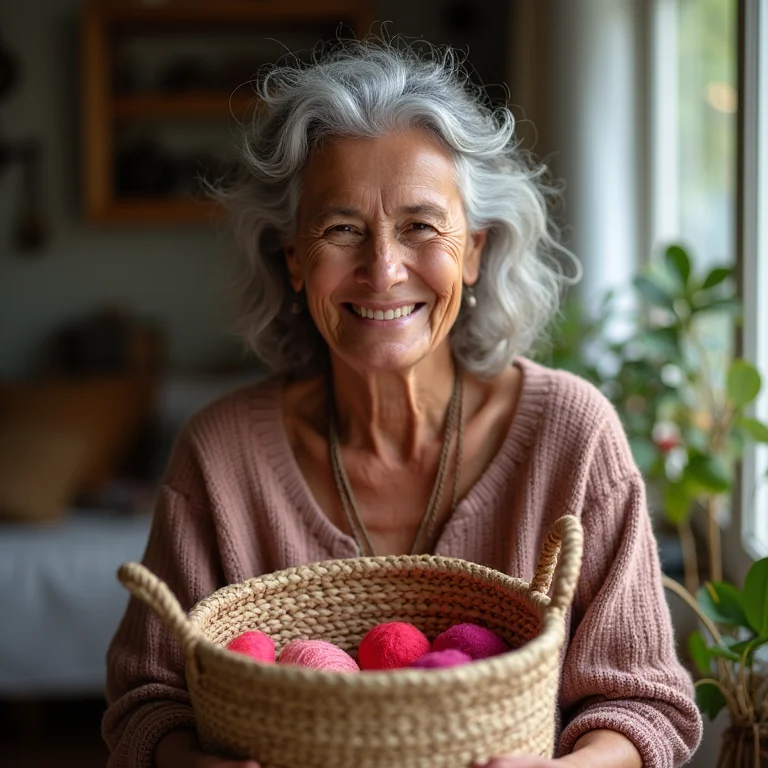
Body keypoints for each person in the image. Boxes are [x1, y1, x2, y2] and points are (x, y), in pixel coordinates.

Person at [102, 39, 702, 768]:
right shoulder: (221, 456)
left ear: (475, 250)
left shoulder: (571, 437)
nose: (383, 270)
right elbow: (145, 701)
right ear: (293, 258)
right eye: (342, 229)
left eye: (421, 226)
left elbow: (644, 705)